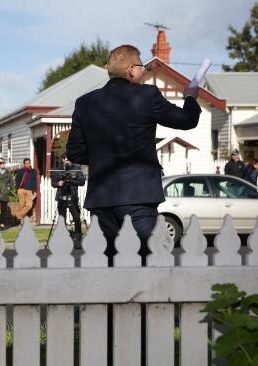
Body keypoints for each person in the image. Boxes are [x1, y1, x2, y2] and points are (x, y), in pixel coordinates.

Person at [65, 44, 201, 262]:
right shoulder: (147, 95)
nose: (144, 71)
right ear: (131, 70)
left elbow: (74, 151)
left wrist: (102, 159)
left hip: (102, 199)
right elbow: (187, 120)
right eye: (142, 66)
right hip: (139, 197)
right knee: (150, 261)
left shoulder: (85, 103)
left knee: (107, 264)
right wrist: (191, 97)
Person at [51, 159, 85, 239]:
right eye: (66, 159)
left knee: (76, 217)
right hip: (61, 197)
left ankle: (78, 236)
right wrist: (58, 183)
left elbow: (82, 182)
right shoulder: (57, 170)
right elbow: (53, 183)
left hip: (73, 197)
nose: (67, 161)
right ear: (63, 160)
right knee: (62, 218)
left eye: (69, 159)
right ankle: (63, 236)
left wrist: (71, 181)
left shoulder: (76, 169)